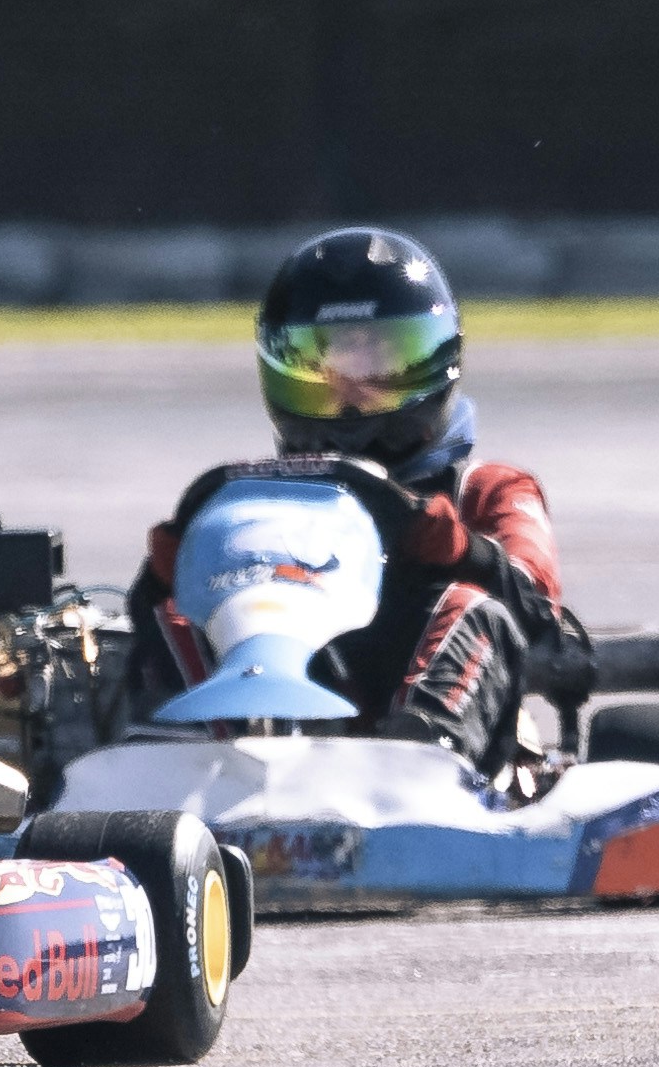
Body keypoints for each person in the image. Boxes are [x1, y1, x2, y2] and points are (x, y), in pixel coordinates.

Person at [125, 226, 574, 776]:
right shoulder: (260, 501)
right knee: (175, 615)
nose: (353, 397)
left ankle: (422, 766)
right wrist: (171, 570)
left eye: (379, 364)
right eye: (328, 370)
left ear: (437, 361)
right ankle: (174, 765)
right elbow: (150, 614)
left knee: (473, 607)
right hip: (267, 722)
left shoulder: (488, 489)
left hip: (431, 737)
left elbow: (540, 614)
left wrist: (458, 550)